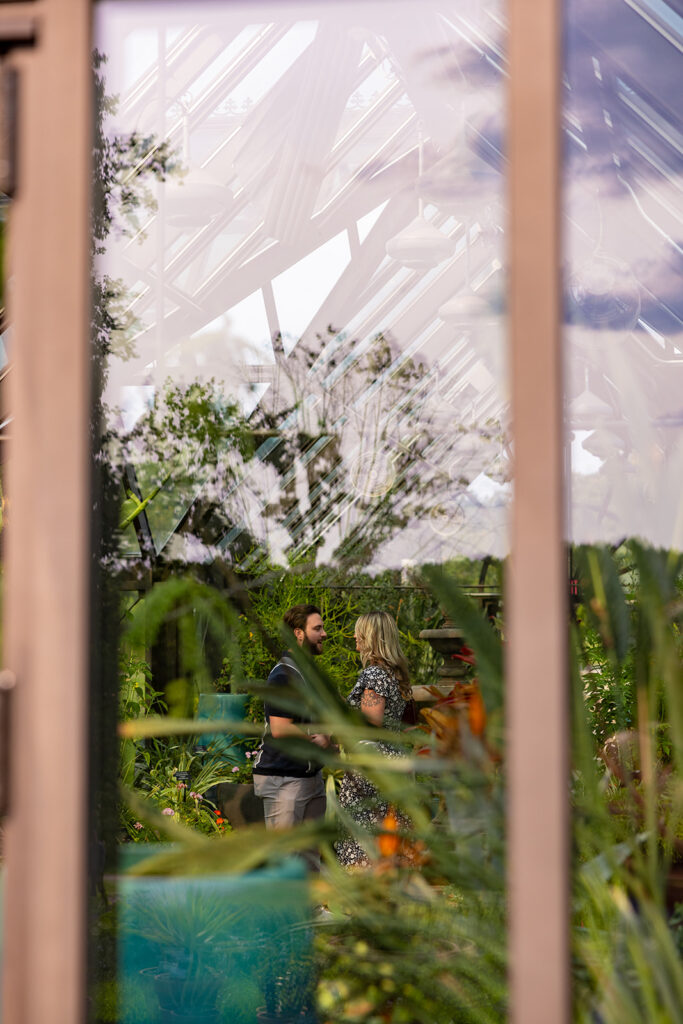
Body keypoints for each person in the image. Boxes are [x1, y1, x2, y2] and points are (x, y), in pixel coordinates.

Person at [335, 611, 411, 868]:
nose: (355, 636)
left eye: (360, 632)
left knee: (364, 838)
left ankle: (365, 898)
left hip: (371, 767)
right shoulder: (393, 674)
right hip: (392, 762)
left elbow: (370, 720)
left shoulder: (374, 675)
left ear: (372, 637)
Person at [252, 604, 332, 836]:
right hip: (284, 782)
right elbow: (279, 727)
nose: (324, 634)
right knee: (286, 863)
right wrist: (317, 736)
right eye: (317, 628)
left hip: (309, 778)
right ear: (298, 633)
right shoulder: (284, 675)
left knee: (309, 862)